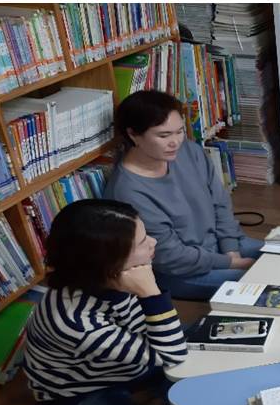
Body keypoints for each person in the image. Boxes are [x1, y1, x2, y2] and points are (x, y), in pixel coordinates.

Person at [21, 199, 191, 405]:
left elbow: (158, 338)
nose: (153, 243)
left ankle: (168, 400)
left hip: (125, 362)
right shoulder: (75, 320)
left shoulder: (116, 276)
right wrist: (151, 293)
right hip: (82, 391)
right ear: (109, 264)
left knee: (207, 343)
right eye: (142, 242)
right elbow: (172, 353)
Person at [103, 90, 262, 301]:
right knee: (267, 283)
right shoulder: (128, 191)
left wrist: (231, 248)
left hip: (223, 245)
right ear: (133, 135)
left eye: (179, 132)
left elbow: (220, 203)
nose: (175, 142)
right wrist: (232, 263)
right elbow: (170, 257)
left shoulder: (189, 151)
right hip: (185, 271)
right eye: (163, 135)